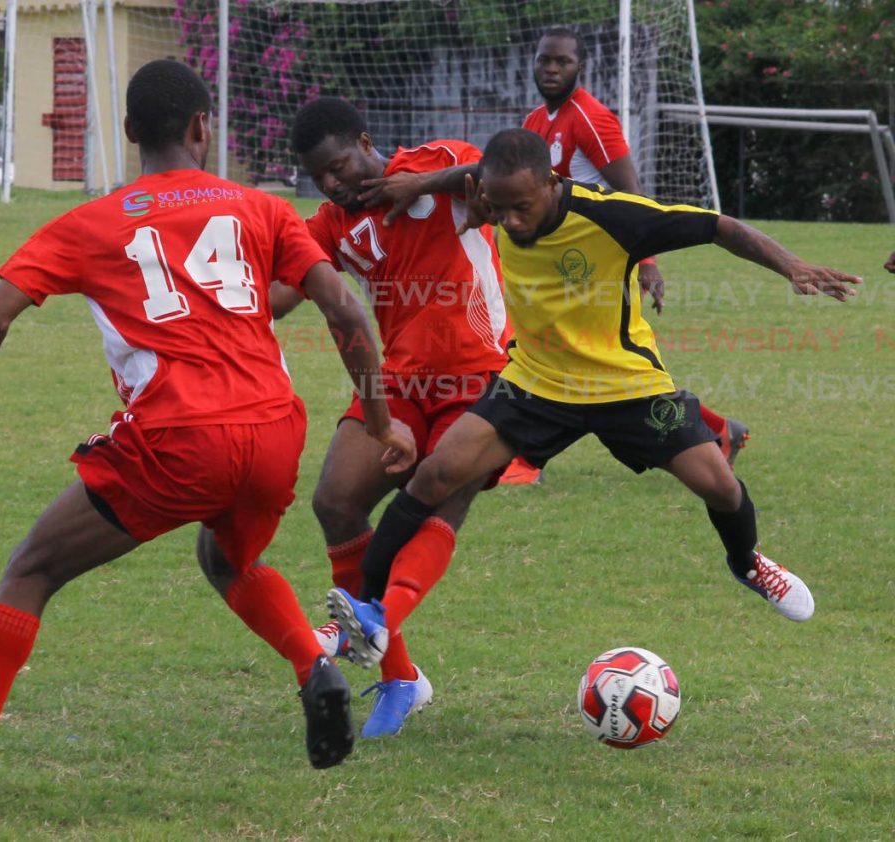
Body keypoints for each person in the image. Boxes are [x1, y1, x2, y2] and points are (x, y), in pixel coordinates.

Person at [0, 60, 417, 819]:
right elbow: (342, 309)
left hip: (179, 438)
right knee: (228, 556)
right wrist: (378, 422)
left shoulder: (93, 222)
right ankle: (313, 665)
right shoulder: (261, 208)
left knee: (31, 571)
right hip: (274, 431)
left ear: (132, 131)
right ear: (204, 127)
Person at [329, 128, 861, 670]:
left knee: (720, 486)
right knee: (436, 475)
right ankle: (367, 607)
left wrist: (791, 265)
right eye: (500, 208)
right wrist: (415, 183)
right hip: (535, 381)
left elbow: (717, 226)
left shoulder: (612, 215)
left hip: (625, 383)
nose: (509, 221)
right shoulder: (494, 193)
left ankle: (747, 562)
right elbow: (465, 177)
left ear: (551, 184)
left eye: (521, 208)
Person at [200, 97, 511, 740]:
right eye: (321, 178)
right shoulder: (333, 224)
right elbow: (286, 292)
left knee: (438, 500)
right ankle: (401, 677)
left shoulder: (436, 164)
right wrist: (231, 299)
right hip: (397, 380)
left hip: (479, 376)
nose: (335, 184)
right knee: (336, 502)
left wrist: (420, 184)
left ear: (367, 141)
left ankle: (368, 622)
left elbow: (502, 168)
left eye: (340, 166)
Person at [522, 26, 749, 476]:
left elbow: (633, 192)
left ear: (579, 67)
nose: (551, 68)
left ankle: (522, 453)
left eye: (561, 61)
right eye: (545, 59)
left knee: (617, 371)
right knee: (574, 359)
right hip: (561, 268)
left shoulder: (590, 118)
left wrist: (647, 262)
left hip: (604, 262)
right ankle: (719, 430)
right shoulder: (535, 121)